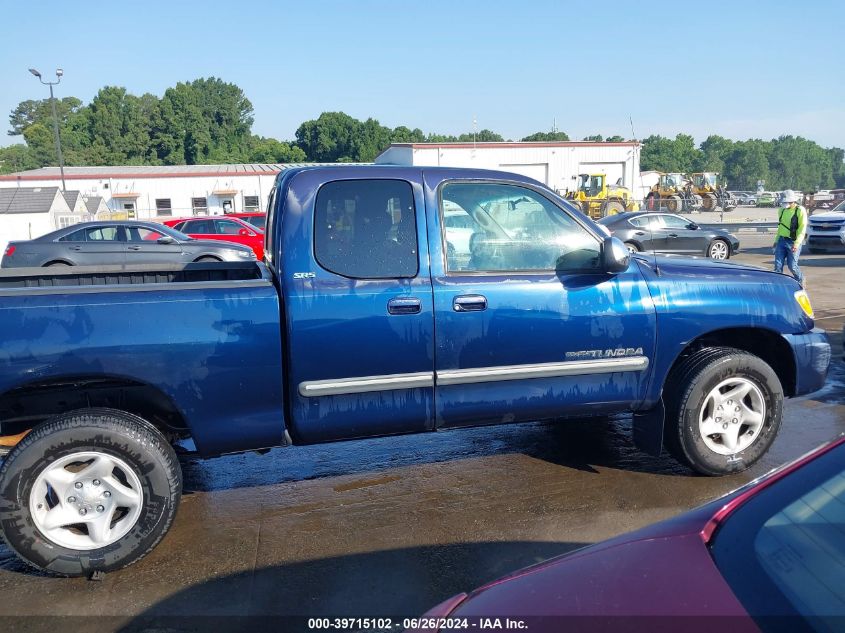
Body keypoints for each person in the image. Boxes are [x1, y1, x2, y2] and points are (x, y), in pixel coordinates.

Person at [773, 189, 807, 286]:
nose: (783, 204)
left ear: (792, 201)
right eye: (782, 202)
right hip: (782, 240)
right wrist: (776, 241)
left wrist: (796, 244)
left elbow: (802, 229)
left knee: (792, 266)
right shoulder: (781, 210)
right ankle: (778, 284)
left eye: (785, 202)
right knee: (778, 266)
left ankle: (800, 280)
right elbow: (781, 227)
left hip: (793, 241)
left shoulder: (800, 210)